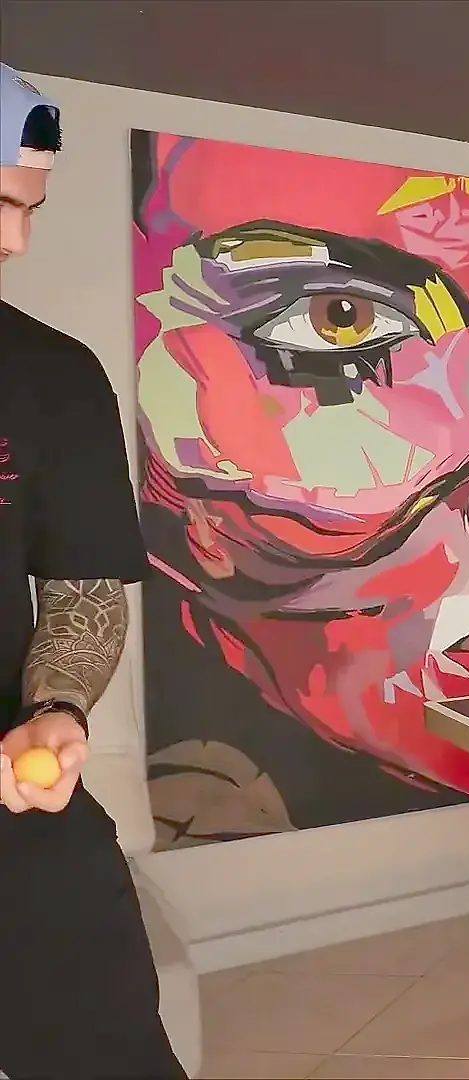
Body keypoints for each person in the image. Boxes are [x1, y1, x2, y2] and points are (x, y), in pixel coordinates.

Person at [0, 65, 188, 1077]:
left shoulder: (55, 376)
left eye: (28, 209)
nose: (16, 241)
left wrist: (58, 710)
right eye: (0, 203)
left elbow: (82, 590)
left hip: (18, 817)